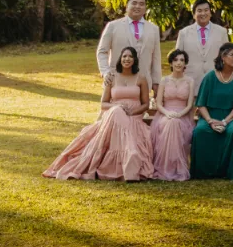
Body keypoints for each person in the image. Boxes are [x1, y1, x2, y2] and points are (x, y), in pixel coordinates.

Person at [44, 46, 153, 181]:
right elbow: (103, 104)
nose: (127, 59)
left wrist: (131, 112)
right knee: (116, 111)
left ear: (135, 59)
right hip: (113, 118)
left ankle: (129, 156)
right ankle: (131, 152)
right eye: (124, 56)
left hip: (133, 118)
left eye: (130, 56)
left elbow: (145, 105)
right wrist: (117, 106)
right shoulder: (112, 78)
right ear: (120, 59)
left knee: (119, 113)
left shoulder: (141, 79)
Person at [190, 42, 233, 179]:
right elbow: (201, 104)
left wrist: (224, 122)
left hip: (232, 117)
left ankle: (228, 171)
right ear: (223, 57)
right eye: (232, 55)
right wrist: (210, 121)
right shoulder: (210, 77)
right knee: (200, 131)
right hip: (210, 116)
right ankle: (203, 172)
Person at [96, 0, 162, 91]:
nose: (138, 6)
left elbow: (156, 57)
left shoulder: (154, 29)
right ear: (127, 6)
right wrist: (105, 72)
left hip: (143, 84)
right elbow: (102, 51)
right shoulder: (113, 26)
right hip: (116, 82)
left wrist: (156, 82)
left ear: (145, 8)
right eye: (134, 3)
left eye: (141, 4)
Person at [151, 49, 196, 181]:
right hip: (165, 114)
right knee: (171, 123)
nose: (179, 63)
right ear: (171, 63)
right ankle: (166, 167)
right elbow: (159, 104)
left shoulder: (190, 81)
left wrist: (179, 114)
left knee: (175, 123)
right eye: (175, 60)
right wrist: (168, 114)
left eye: (182, 60)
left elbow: (190, 105)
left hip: (183, 116)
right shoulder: (164, 80)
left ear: (185, 63)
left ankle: (177, 167)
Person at [174, 0, 229, 92]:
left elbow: (227, 58)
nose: (203, 13)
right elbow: (177, 60)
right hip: (190, 84)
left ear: (210, 13)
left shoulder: (221, 32)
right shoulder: (183, 33)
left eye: (206, 10)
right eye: (199, 11)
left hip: (215, 82)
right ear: (194, 14)